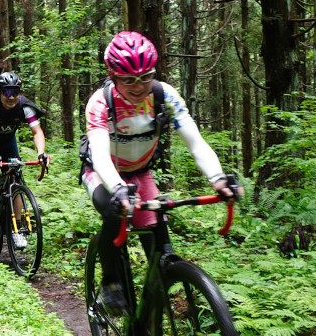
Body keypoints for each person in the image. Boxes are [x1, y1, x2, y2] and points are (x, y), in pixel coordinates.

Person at [82, 31, 242, 312]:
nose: (138, 86)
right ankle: (110, 283)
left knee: (157, 242)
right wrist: (118, 188)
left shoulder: (164, 94)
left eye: (146, 76)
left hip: (141, 172)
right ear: (112, 74)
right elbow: (99, 152)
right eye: (128, 79)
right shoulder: (101, 101)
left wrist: (217, 178)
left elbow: (196, 142)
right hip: (102, 172)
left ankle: (153, 315)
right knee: (111, 210)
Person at [0, 71, 49, 249]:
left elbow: (37, 132)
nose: (11, 96)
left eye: (15, 91)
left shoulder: (25, 107)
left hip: (8, 145)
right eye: (7, 92)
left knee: (15, 179)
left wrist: (41, 153)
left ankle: (16, 231)